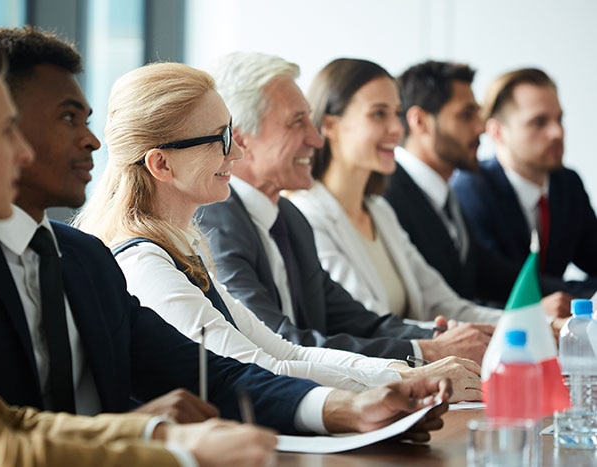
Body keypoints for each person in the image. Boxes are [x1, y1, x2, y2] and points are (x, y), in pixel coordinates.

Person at [0, 26, 450, 440]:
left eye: (87, 118)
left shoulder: (84, 260)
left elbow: (213, 372)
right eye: (66, 118)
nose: (92, 141)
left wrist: (357, 402)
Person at [0, 18, 277, 467]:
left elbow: (3, 422)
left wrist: (147, 429)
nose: (20, 153)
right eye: (6, 131)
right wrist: (178, 455)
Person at [73, 61, 479, 402]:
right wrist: (405, 378)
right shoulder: (145, 263)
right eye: (221, 138)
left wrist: (402, 371)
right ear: (161, 165)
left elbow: (283, 350)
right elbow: (256, 368)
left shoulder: (181, 252)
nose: (235, 152)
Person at [195, 51, 491, 366]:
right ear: (241, 139)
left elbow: (358, 320)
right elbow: (278, 343)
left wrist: (445, 339)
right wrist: (426, 352)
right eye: (298, 122)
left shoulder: (289, 217)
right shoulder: (215, 223)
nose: (315, 138)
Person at [288, 57, 500, 326]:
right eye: (379, 114)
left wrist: (534, 322)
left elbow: (443, 304)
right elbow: (370, 324)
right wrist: (452, 338)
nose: (398, 129)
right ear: (330, 125)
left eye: (396, 113)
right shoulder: (308, 216)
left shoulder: (379, 211)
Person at [385, 60, 574, 320]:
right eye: (466, 115)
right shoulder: (386, 195)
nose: (481, 127)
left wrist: (574, 299)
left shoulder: (444, 194)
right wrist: (528, 314)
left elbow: (493, 274)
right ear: (420, 121)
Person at [451, 67, 597, 294]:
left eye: (559, 119)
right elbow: (496, 286)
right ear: (497, 131)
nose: (557, 132)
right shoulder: (471, 188)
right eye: (539, 122)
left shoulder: (567, 184)